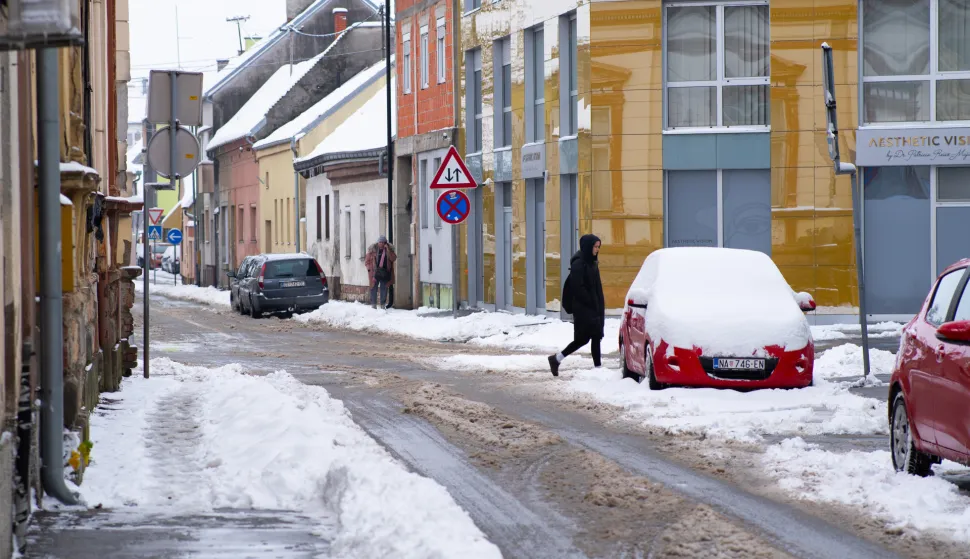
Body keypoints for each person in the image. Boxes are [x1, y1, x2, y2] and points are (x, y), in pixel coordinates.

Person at [548, 234, 605, 376]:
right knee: (583, 339)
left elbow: (596, 286)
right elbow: (578, 287)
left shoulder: (592, 262)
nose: (597, 250)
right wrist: (591, 301)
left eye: (598, 247)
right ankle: (557, 359)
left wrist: (598, 303)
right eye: (595, 247)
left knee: (595, 336)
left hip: (593, 306)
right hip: (583, 308)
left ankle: (558, 359)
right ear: (588, 246)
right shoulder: (578, 263)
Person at [365, 235, 396, 309]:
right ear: (378, 242)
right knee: (373, 288)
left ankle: (382, 304)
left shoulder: (389, 250)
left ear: (385, 243)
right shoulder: (372, 250)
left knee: (384, 288)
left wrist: (388, 250)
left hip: (385, 272)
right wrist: (369, 269)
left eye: (383, 242)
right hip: (374, 273)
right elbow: (367, 261)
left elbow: (393, 258)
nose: (381, 243)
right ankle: (373, 305)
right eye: (380, 242)